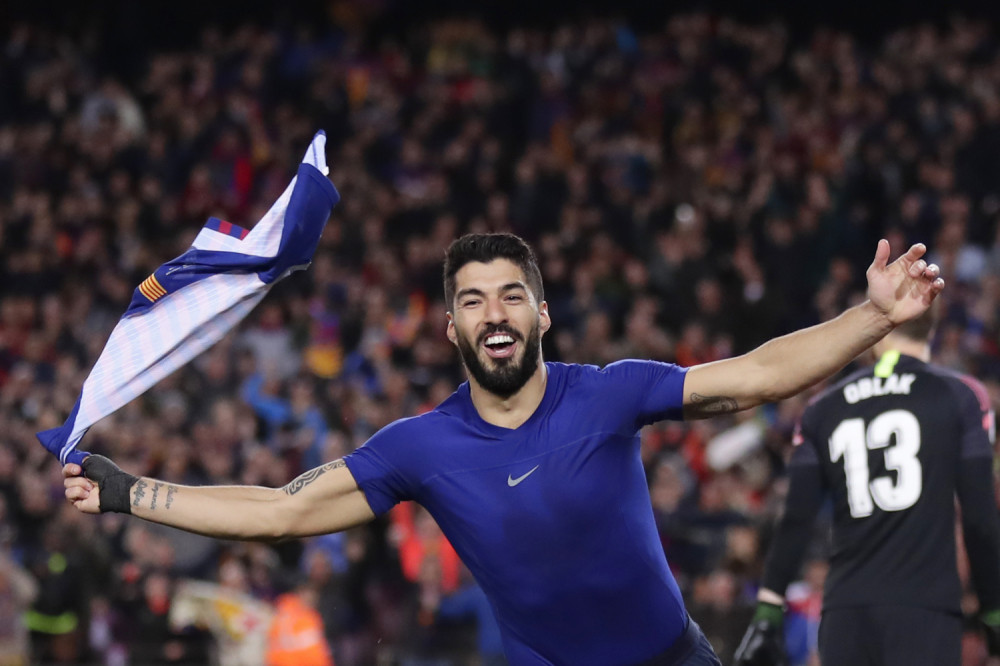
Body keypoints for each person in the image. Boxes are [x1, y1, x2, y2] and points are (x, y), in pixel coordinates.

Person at [62, 233, 944, 665]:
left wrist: (872, 317)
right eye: (475, 300)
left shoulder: (608, 392)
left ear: (542, 314)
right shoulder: (422, 446)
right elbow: (284, 513)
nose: (495, 313)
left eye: (513, 295)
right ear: (450, 327)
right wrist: (129, 491)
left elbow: (755, 376)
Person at [733, 307, 1000, 666]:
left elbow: (795, 519)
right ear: (931, 327)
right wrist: (993, 612)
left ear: (875, 331)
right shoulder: (962, 396)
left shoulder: (821, 409)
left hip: (846, 612)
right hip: (924, 609)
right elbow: (980, 521)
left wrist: (768, 612)